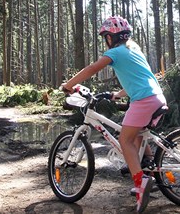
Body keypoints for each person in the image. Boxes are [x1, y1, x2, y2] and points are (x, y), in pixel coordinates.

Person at [61, 16, 166, 213]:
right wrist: (118, 94)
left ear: (111, 37)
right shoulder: (133, 49)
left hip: (143, 100)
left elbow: (92, 68)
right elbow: (142, 78)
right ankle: (147, 168)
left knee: (124, 140)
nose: (106, 41)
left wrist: (69, 85)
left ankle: (141, 183)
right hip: (156, 97)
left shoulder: (115, 52)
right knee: (136, 136)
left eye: (106, 37)